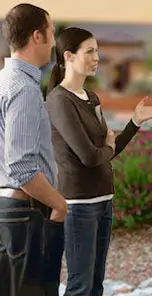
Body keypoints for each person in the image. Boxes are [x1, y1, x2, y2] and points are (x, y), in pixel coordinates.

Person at [43, 27, 152, 296]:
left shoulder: (92, 98)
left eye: (97, 51)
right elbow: (89, 156)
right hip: (78, 205)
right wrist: (106, 148)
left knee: (96, 286)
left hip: (103, 201)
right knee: (80, 285)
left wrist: (134, 122)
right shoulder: (58, 101)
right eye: (90, 52)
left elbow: (108, 150)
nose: (97, 57)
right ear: (69, 56)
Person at [0, 3, 68, 296]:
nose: (54, 41)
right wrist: (59, 204)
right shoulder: (23, 89)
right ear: (37, 36)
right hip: (26, 213)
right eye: (52, 33)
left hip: (10, 211)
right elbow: (21, 166)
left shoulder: (4, 81)